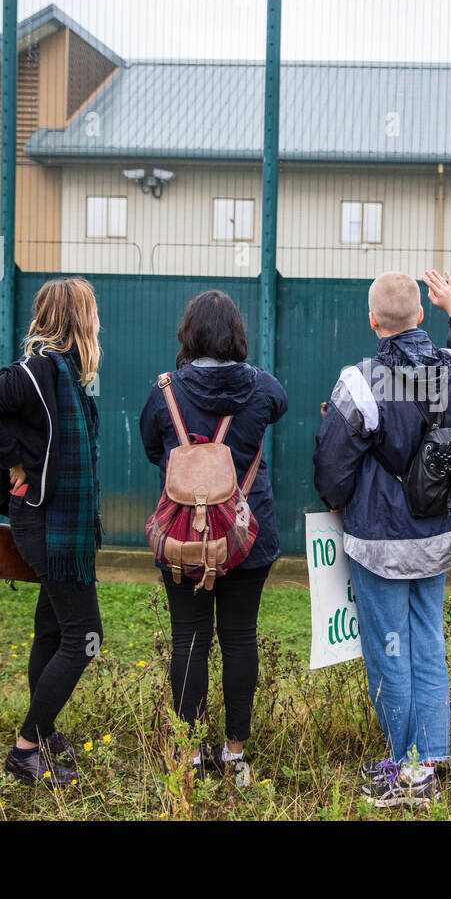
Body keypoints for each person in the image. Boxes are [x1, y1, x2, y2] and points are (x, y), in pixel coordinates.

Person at [313, 269, 451, 808]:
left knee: (389, 650)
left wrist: (340, 506)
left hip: (379, 539)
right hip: (438, 532)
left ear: (372, 321)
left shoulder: (359, 381)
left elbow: (331, 466)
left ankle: (406, 769)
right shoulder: (450, 369)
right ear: (419, 316)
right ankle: (428, 759)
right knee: (427, 645)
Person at [0, 277, 105, 788]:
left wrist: (26, 456)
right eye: (91, 312)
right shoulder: (38, 370)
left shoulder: (64, 375)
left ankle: (41, 736)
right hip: (46, 522)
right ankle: (25, 752)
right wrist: (16, 460)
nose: (96, 321)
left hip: (59, 522)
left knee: (54, 629)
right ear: (78, 319)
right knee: (86, 636)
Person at [140, 290, 287, 781]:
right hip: (247, 535)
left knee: (189, 638)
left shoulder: (164, 391)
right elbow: (279, 407)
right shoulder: (262, 388)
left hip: (183, 538)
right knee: (240, 637)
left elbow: (148, 446)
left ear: (189, 333)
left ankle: (189, 756)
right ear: (238, 336)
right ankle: (235, 752)